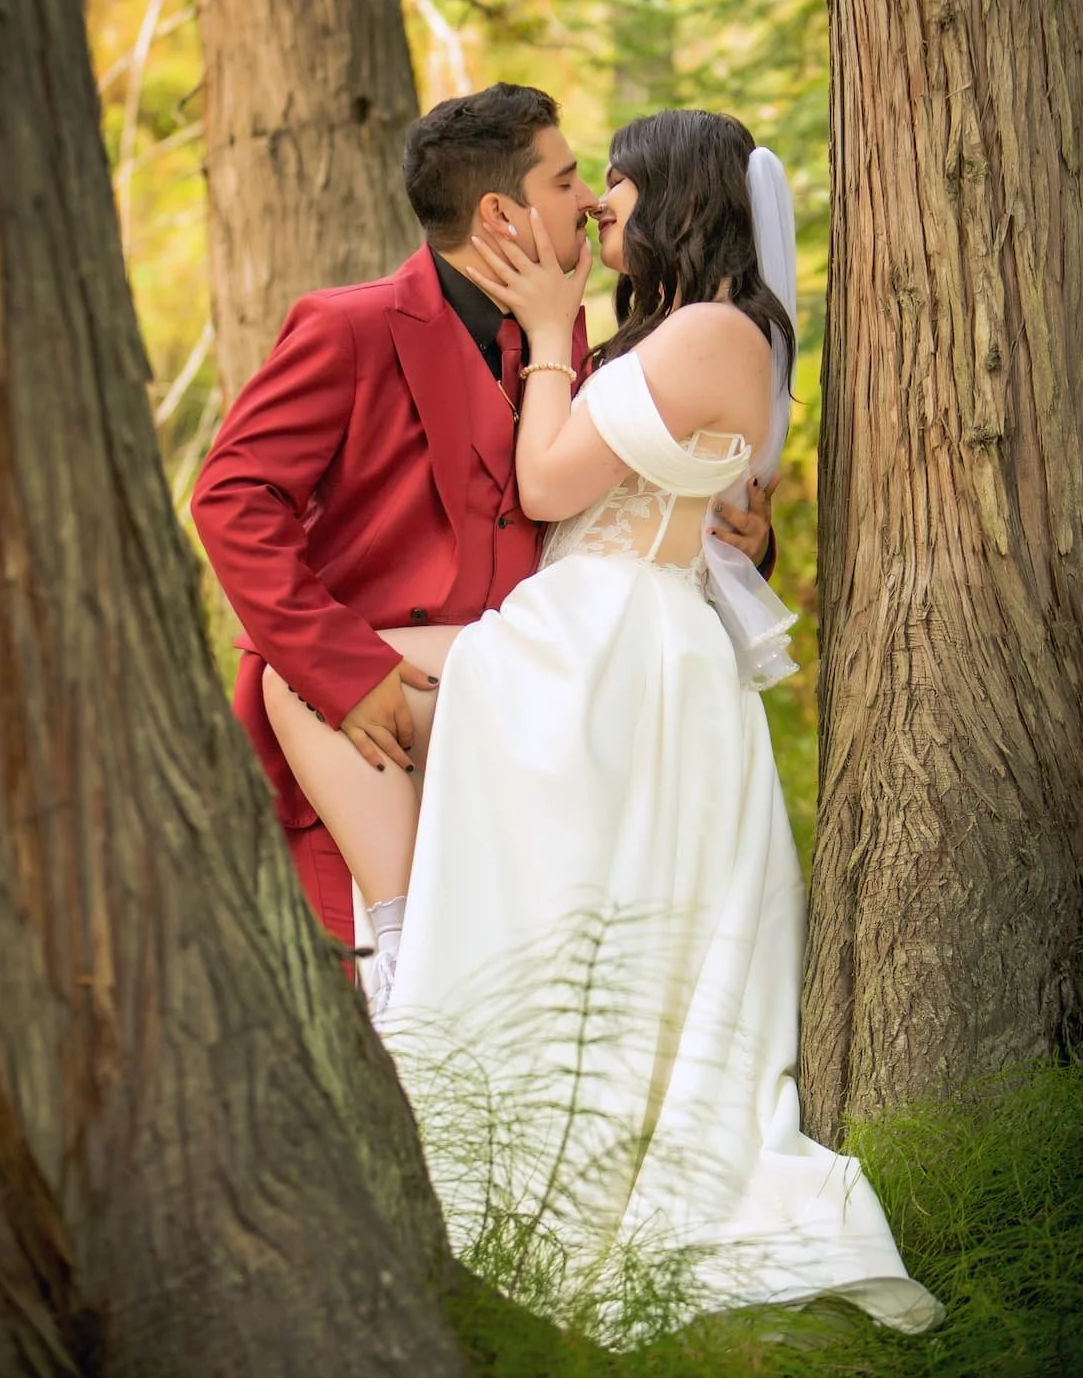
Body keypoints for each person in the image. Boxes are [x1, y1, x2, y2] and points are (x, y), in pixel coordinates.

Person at [263, 108, 942, 1335]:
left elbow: (545, 483)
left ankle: (404, 945)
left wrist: (542, 337)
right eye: (583, 178)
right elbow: (698, 501)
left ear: (676, 190)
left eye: (613, 178)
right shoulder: (670, 327)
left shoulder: (711, 328)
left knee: (304, 670)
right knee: (316, 672)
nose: (595, 200)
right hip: (599, 632)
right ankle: (413, 941)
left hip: (606, 643)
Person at [191, 86, 775, 969]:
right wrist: (345, 672)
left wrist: (741, 538)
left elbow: (633, 496)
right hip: (377, 744)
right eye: (566, 180)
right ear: (501, 214)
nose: (588, 199)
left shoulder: (570, 344)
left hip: (536, 740)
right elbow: (232, 498)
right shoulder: (351, 327)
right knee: (385, 1007)